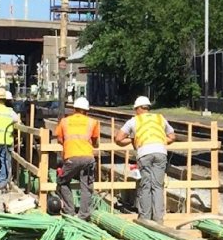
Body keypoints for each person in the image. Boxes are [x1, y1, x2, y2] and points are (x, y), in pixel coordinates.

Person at [114, 95, 174, 224]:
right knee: (157, 186)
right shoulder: (160, 118)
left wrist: (132, 139)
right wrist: (160, 142)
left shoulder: (134, 121)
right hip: (161, 152)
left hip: (144, 153)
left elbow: (118, 139)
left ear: (138, 108)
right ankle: (158, 219)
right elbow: (172, 136)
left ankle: (145, 219)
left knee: (145, 186)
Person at [53, 95, 101, 220]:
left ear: (74, 109)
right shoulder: (93, 122)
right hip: (88, 158)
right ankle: (83, 215)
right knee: (86, 186)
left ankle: (70, 211)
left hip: (71, 157)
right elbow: (95, 142)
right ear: (86, 110)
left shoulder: (65, 121)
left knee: (62, 181)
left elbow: (59, 139)